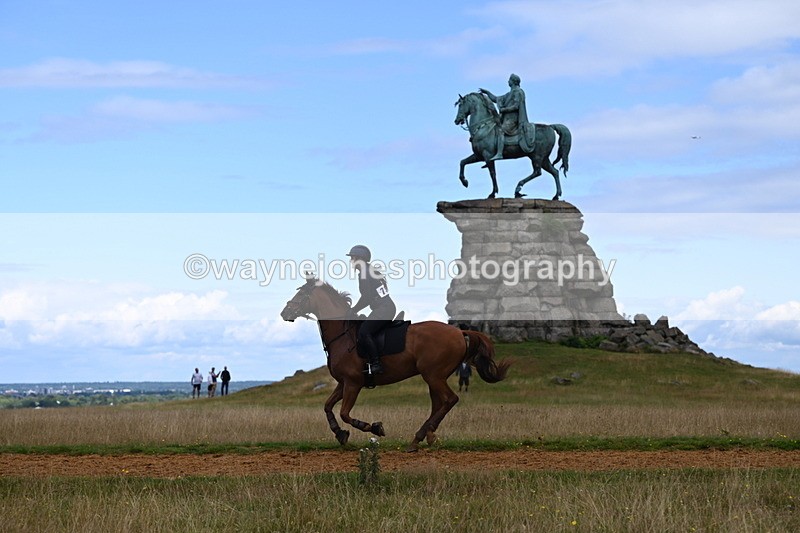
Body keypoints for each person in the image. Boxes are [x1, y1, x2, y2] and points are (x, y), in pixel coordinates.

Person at [347, 244, 396, 375]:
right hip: (385, 307)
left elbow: (366, 297)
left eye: (352, 258)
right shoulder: (370, 270)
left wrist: (354, 310)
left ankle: (376, 364)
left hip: (383, 309)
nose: (351, 261)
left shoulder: (364, 273)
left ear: (360, 258)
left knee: (363, 332)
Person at [479, 73, 535, 161]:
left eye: (509, 80)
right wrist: (487, 92)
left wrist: (504, 110)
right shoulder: (509, 94)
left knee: (500, 130)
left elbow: (516, 106)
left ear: (513, 81)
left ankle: (499, 153)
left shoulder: (518, 92)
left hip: (513, 119)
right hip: (506, 119)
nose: (508, 81)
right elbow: (495, 99)